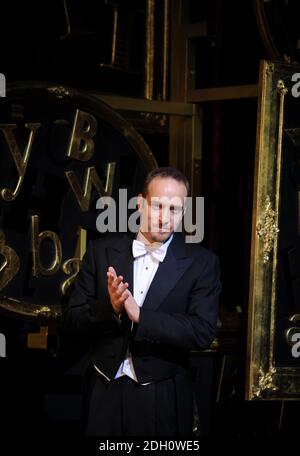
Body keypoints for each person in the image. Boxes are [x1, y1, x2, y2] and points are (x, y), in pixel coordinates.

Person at [63, 166, 221, 436]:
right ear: (140, 204)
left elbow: (202, 332)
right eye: (158, 206)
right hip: (103, 390)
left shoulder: (202, 263)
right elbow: (72, 320)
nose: (165, 218)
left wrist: (141, 316)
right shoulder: (101, 252)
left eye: (175, 209)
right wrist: (111, 308)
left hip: (161, 394)